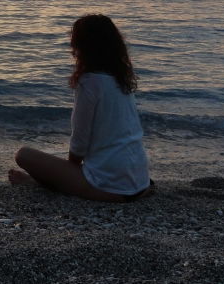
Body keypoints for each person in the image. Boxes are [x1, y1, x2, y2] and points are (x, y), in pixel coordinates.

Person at [8, 14, 153, 202]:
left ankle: (36, 184)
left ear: (82, 47)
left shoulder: (90, 82)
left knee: (23, 155)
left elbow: (80, 142)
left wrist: (68, 173)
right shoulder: (120, 80)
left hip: (112, 187)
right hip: (139, 181)